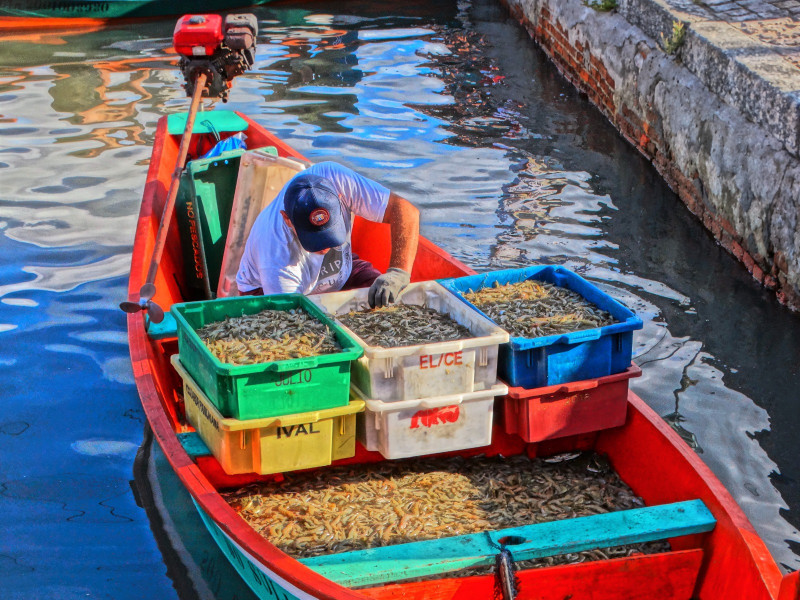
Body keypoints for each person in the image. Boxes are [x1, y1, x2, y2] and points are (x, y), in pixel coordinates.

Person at [236, 161, 419, 307]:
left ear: (340, 199)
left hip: (340, 270)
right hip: (268, 292)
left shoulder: (336, 178)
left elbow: (404, 210)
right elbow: (291, 326)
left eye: (330, 236)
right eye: (315, 240)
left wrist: (398, 272)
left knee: (389, 300)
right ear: (287, 219)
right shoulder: (276, 257)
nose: (325, 248)